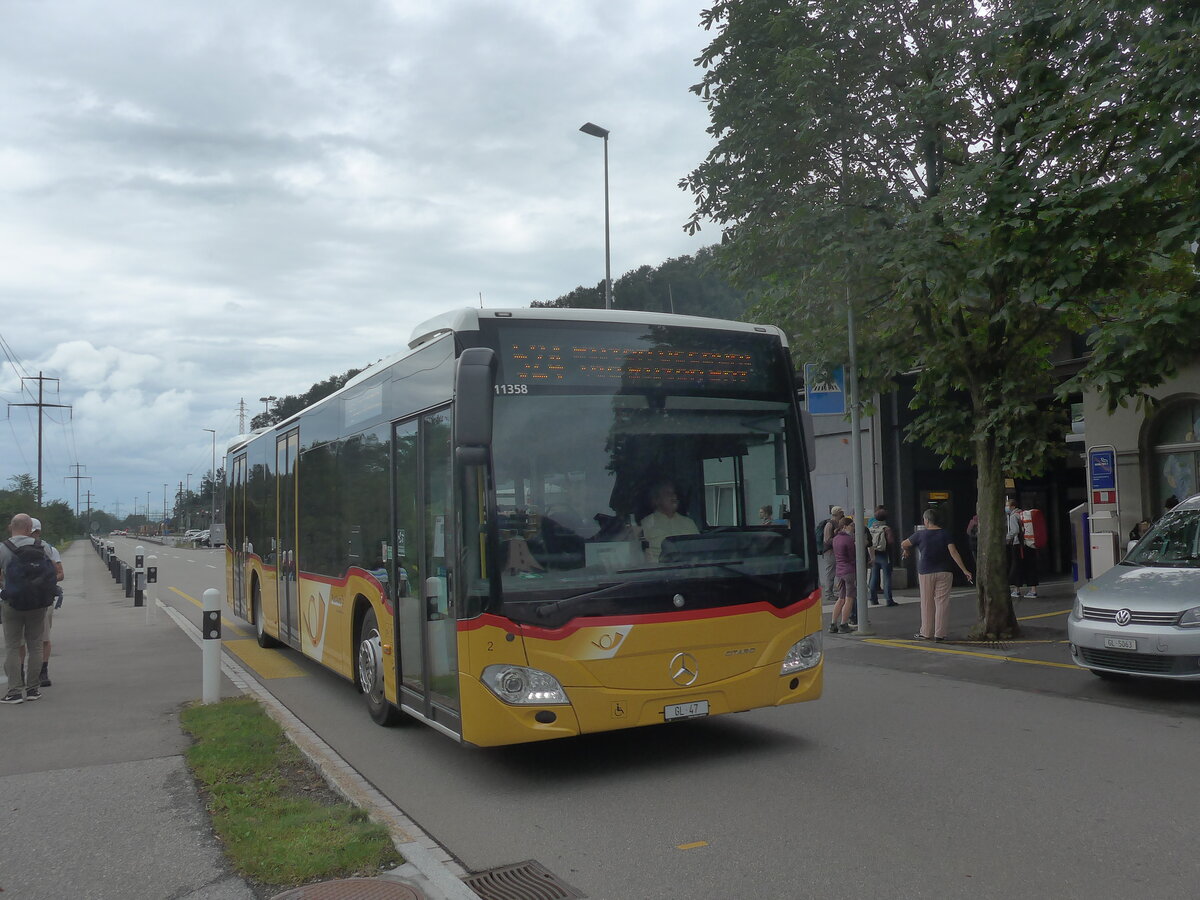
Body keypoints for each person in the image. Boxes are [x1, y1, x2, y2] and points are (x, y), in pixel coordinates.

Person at [1, 513, 55, 703]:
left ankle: (14, 691)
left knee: (13, 646)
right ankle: (33, 690)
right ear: (29, 528)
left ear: (11, 527)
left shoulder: (3, 548)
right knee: (35, 645)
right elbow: (53, 573)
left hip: (12, 603)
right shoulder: (43, 546)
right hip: (38, 603)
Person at [901, 508, 973, 642]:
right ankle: (940, 634)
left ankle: (926, 632)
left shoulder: (920, 535)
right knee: (942, 602)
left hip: (926, 571)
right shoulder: (945, 534)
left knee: (927, 602)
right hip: (945, 571)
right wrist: (964, 570)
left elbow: (904, 543)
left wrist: (906, 551)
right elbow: (954, 552)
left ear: (926, 520)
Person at [19, 518, 64, 687]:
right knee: (22, 641)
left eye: (34, 533)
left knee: (43, 638)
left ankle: (42, 671)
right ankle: (21, 673)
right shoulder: (15, 549)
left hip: (43, 599)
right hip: (22, 599)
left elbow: (60, 573)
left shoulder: (48, 549)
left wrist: (46, 581)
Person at [640, 481, 699, 563]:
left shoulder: (689, 523)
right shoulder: (645, 524)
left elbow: (698, 552)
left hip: (688, 571)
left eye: (674, 493)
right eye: (668, 493)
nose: (674, 496)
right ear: (656, 500)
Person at [1006, 497, 1040, 599]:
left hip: (1018, 545)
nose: (1006, 507)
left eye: (1007, 505)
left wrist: (1006, 538)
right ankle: (1033, 591)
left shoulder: (1013, 516)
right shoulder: (1024, 514)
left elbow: (1015, 530)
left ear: (1012, 506)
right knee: (1030, 566)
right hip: (1029, 543)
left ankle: (1016, 590)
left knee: (1016, 566)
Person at [829, 516, 857, 633]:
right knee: (849, 598)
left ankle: (833, 624)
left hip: (839, 571)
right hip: (849, 571)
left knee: (840, 598)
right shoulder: (849, 540)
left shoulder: (835, 539)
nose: (853, 528)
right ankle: (844, 624)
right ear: (845, 526)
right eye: (851, 526)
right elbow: (853, 556)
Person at [867, 507, 898, 606]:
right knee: (887, 577)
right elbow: (890, 541)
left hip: (874, 554)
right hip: (885, 554)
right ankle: (889, 599)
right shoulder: (886, 529)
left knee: (874, 576)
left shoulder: (871, 528)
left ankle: (873, 599)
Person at [819, 506, 844, 603]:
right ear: (838, 513)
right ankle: (828, 593)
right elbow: (827, 540)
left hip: (835, 551)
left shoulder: (836, 523)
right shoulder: (829, 524)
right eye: (841, 513)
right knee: (830, 572)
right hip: (830, 551)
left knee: (834, 571)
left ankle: (832, 592)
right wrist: (838, 538)